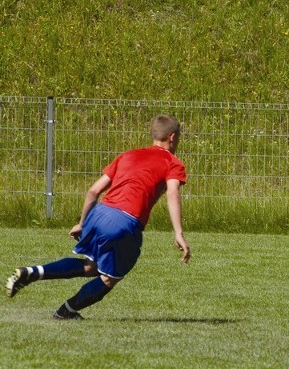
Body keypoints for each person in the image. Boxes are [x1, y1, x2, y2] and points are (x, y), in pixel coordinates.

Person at [5, 115, 191, 320]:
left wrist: (82, 223)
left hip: (99, 213)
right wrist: (179, 233)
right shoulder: (172, 162)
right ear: (172, 137)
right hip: (124, 222)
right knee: (110, 277)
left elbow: (93, 191)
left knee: (90, 266)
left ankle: (31, 272)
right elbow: (172, 193)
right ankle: (66, 311)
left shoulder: (129, 155)